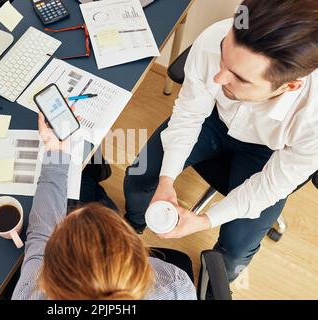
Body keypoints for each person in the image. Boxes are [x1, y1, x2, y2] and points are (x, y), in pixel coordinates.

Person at [124, 0, 318, 282]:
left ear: (289, 86)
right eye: (223, 57)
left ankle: (213, 282)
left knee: (238, 246)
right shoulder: (219, 36)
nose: (218, 76)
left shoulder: (313, 117)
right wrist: (166, 181)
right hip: (211, 120)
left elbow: (270, 186)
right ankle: (133, 224)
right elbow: (188, 114)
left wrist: (203, 221)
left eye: (238, 77)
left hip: (270, 151)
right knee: (139, 176)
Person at [12, 113, 196, 300]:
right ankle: (95, 173)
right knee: (92, 189)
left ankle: (94, 174)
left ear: (50, 276)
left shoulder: (29, 294)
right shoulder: (174, 285)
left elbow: (41, 237)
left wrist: (56, 153)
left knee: (86, 185)